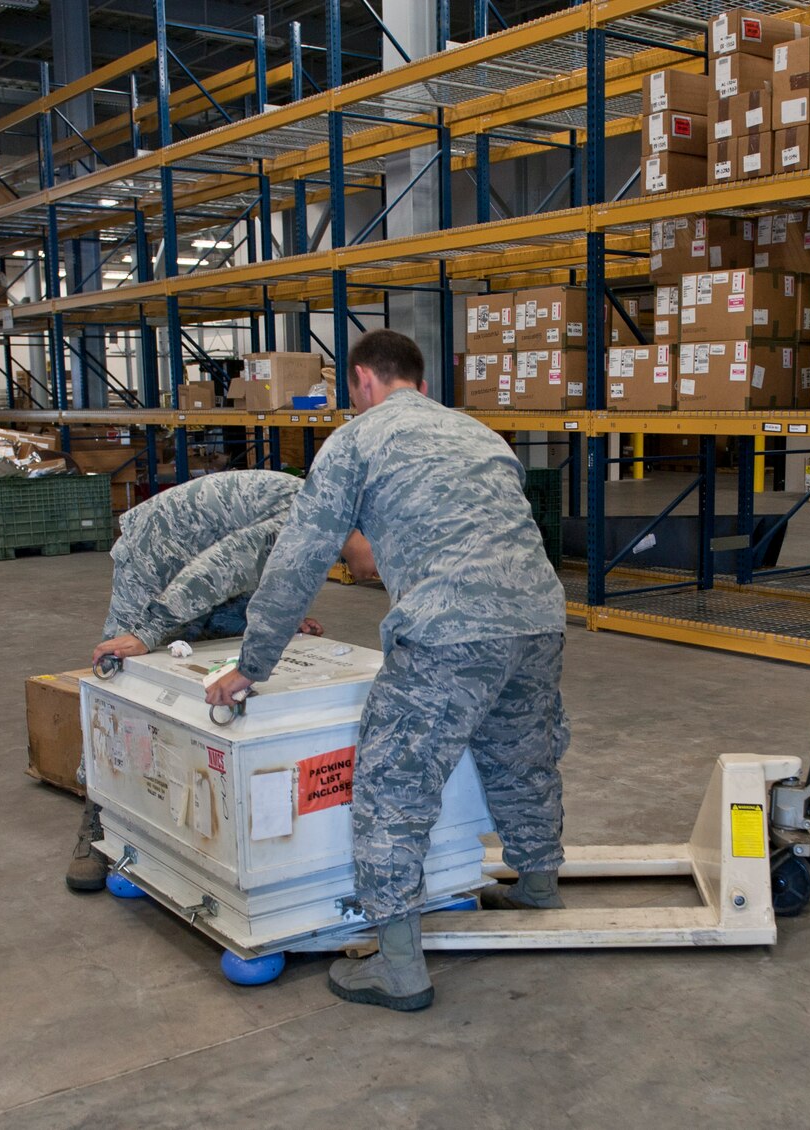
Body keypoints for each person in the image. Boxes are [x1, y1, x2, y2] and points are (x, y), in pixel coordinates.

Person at [206, 328, 569, 1012]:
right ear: (422, 383)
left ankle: (398, 967)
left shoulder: (355, 440)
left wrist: (251, 663)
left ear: (362, 382)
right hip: (540, 615)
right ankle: (538, 883)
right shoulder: (481, 434)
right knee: (525, 753)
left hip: (448, 629)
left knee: (392, 785)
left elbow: (298, 559)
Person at [68, 468, 376, 892]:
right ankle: (97, 812)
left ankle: (173, 798)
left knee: (214, 651)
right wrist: (148, 630)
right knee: (120, 672)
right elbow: (219, 568)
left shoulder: (332, 522)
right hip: (161, 548)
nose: (383, 573)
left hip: (213, 550)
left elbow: (274, 576)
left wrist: (280, 620)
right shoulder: (311, 517)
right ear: (367, 530)